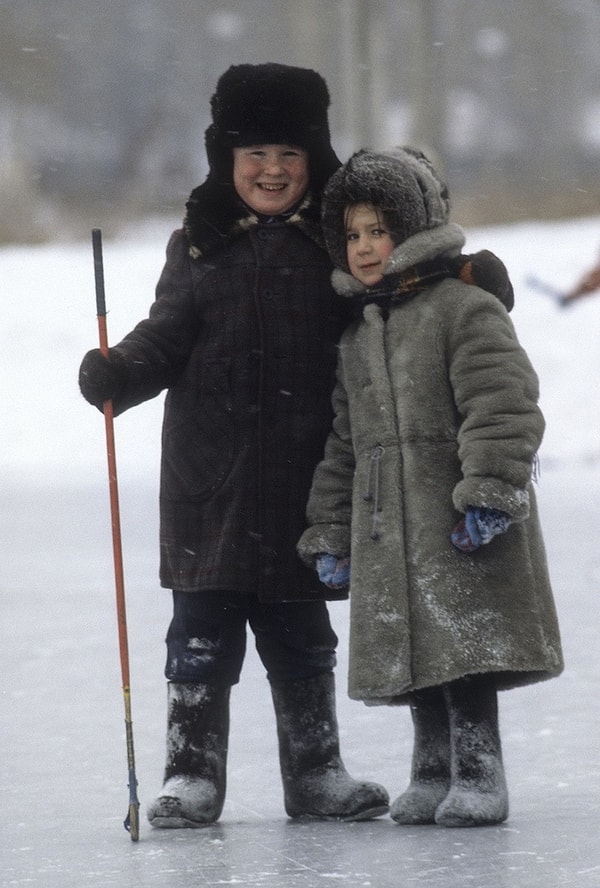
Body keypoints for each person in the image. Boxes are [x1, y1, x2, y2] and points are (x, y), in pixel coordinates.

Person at [78, 63, 391, 828]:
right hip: (208, 485)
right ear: (226, 159)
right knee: (199, 641)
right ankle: (192, 777)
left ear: (314, 157)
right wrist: (120, 371)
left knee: (301, 641)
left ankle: (316, 772)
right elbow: (165, 336)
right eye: (255, 155)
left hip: (302, 485)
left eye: (289, 154)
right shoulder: (198, 246)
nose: (273, 170)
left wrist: (472, 274)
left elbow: (400, 288)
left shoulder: (335, 243)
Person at [297, 147, 564, 828]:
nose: (363, 248)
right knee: (418, 653)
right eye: (352, 235)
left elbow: (503, 405)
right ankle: (432, 767)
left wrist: (489, 492)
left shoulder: (462, 309)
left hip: (455, 519)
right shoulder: (359, 333)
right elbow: (343, 444)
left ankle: (480, 771)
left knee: (465, 648)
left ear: (411, 230)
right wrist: (331, 528)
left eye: (378, 231)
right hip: (390, 527)